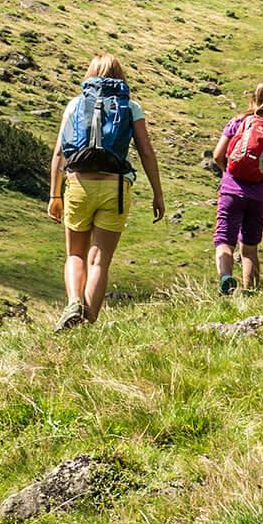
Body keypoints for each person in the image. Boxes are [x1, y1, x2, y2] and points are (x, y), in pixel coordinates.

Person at [47, 54, 165, 331]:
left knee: (75, 255)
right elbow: (146, 151)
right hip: (116, 187)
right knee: (99, 260)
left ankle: (74, 302)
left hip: (78, 184)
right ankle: (86, 325)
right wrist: (157, 193)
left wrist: (54, 195)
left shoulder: (75, 104)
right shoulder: (130, 106)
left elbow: (58, 152)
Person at [210, 77, 263, 294]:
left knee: (224, 240)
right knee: (250, 249)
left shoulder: (236, 123)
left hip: (232, 192)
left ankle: (226, 278)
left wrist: (229, 175)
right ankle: (250, 296)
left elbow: (217, 155)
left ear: (253, 100)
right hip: (260, 198)